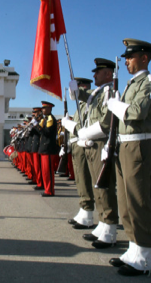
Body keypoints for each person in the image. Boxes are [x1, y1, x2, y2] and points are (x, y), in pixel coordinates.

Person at [106, 38, 151, 276]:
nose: (126, 61)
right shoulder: (131, 84)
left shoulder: (148, 82)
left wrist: (116, 105)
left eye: (130, 57)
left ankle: (145, 256)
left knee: (138, 201)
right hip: (124, 144)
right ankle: (133, 248)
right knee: (126, 202)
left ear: (144, 58)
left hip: (138, 144)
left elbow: (137, 112)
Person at [77, 59, 119, 248]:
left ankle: (110, 227)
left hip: (101, 142)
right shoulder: (98, 93)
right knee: (97, 186)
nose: (94, 75)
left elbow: (106, 122)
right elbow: (84, 99)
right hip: (92, 142)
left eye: (98, 72)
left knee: (104, 186)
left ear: (108, 74)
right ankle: (102, 223)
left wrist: (85, 133)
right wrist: (74, 89)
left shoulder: (110, 92)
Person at [62, 77, 95, 228]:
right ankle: (83, 208)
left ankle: (87, 211)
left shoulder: (90, 102)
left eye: (79, 87)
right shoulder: (80, 105)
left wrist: (70, 125)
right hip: (76, 143)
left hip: (84, 143)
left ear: (84, 87)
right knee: (80, 179)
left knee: (84, 177)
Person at [32, 101, 58, 197]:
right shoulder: (44, 119)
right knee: (45, 171)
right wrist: (35, 126)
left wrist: (38, 126)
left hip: (48, 148)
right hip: (43, 148)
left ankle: (50, 190)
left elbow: (46, 132)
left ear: (50, 109)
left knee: (48, 171)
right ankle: (47, 189)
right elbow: (39, 132)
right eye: (42, 108)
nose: (42, 110)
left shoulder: (50, 119)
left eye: (44, 108)